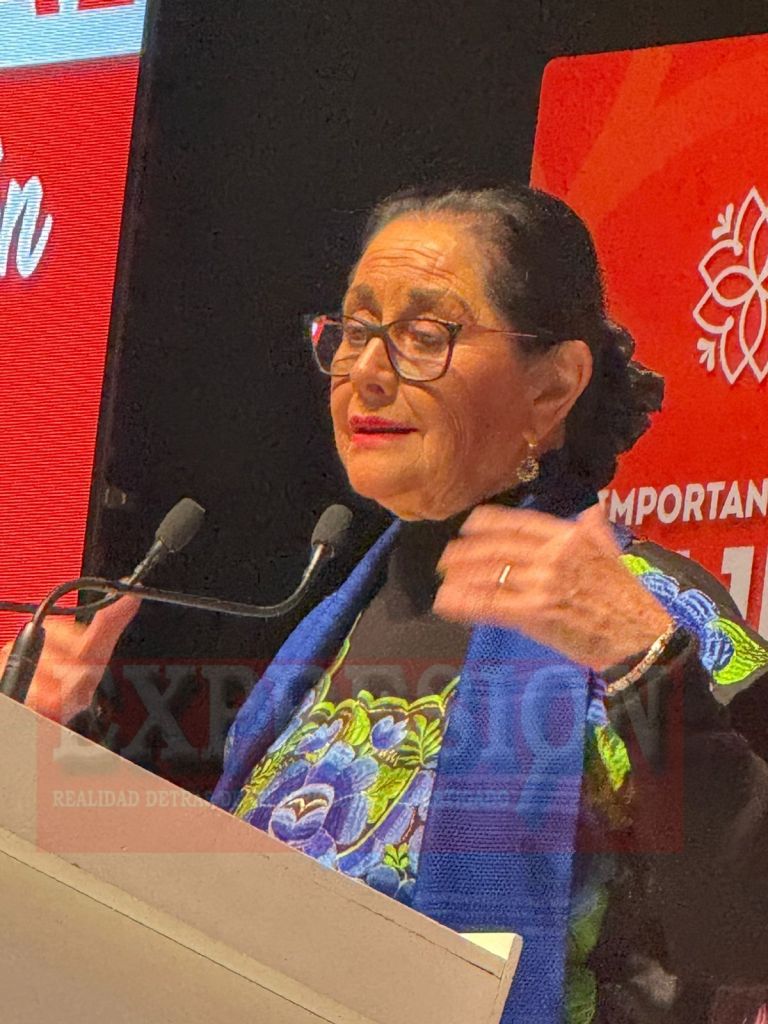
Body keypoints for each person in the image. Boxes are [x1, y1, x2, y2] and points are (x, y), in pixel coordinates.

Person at [7, 184, 768, 1024]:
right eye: (354, 330)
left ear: (554, 387)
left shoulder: (654, 612)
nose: (366, 372)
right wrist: (48, 754)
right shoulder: (327, 631)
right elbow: (226, 933)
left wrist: (648, 667)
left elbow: (749, 932)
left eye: (424, 336)